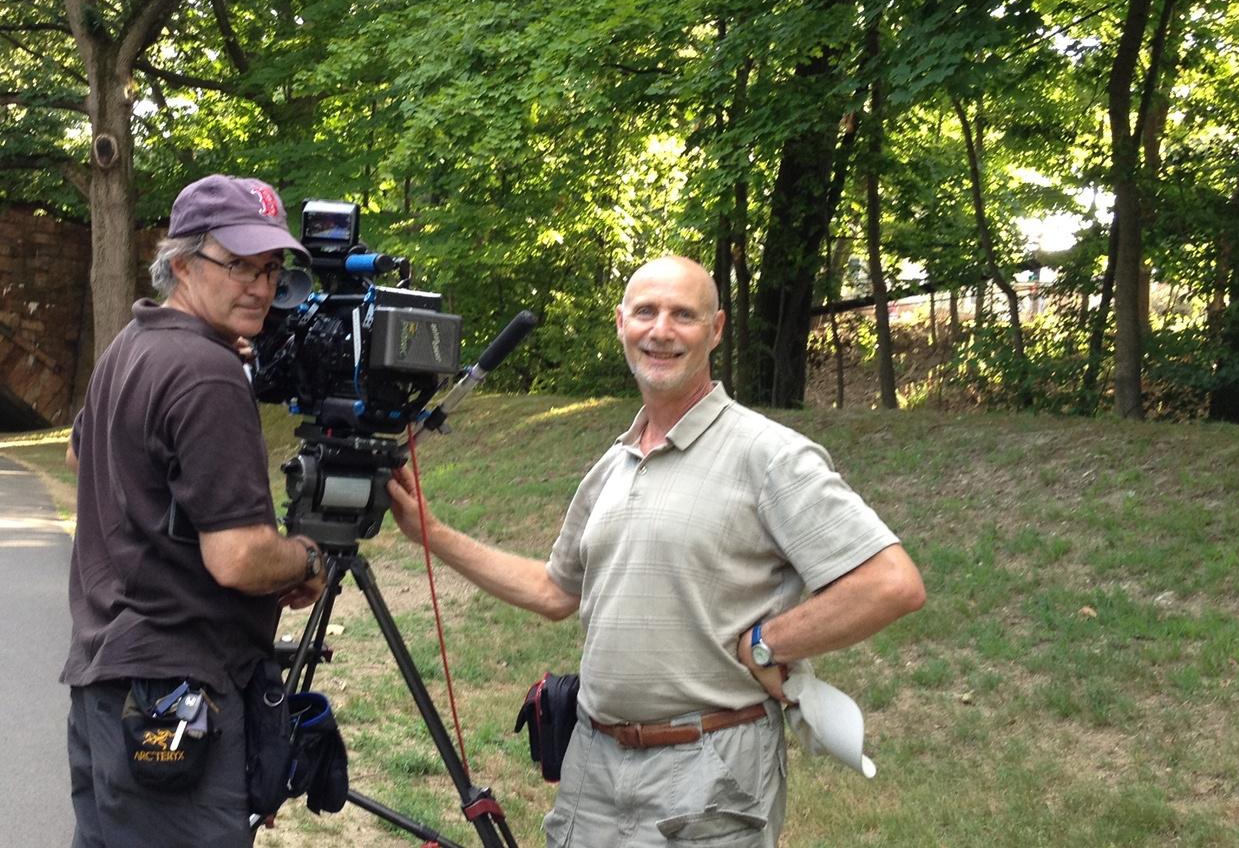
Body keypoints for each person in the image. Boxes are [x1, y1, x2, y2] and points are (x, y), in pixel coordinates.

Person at [384, 255, 926, 848]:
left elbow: (889, 582)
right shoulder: (612, 466)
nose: (661, 330)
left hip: (710, 772)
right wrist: (430, 534)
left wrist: (768, 643)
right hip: (593, 764)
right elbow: (553, 592)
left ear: (715, 330)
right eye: (645, 311)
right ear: (621, 323)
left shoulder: (768, 454)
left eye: (683, 315)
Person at [60, 174, 328, 848]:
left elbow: (79, 456)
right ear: (181, 262)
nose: (261, 287)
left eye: (271, 269)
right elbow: (238, 559)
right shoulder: (205, 373)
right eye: (238, 265)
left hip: (108, 686)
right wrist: (306, 558)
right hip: (178, 695)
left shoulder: (133, 345)